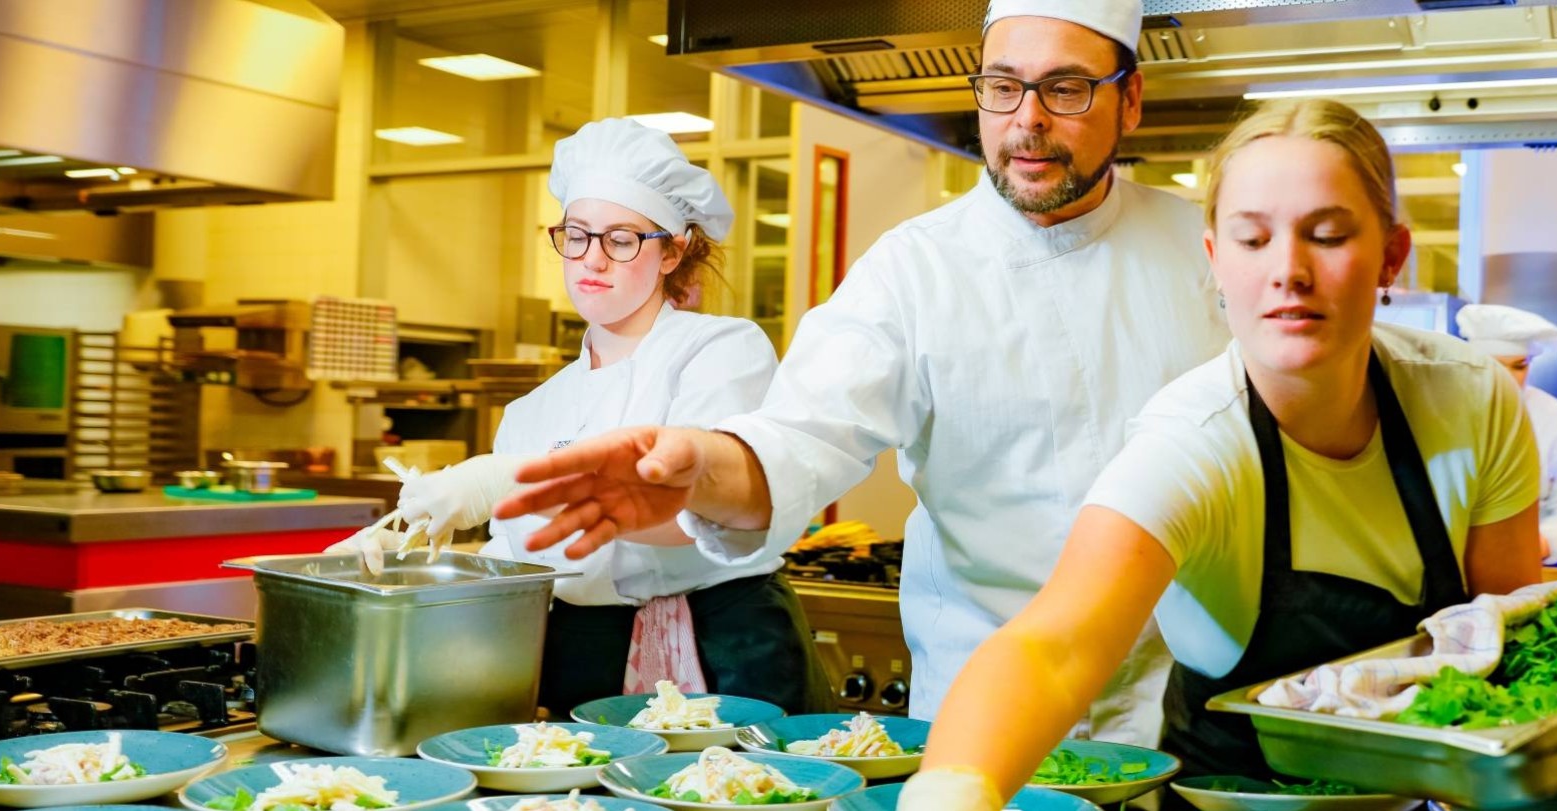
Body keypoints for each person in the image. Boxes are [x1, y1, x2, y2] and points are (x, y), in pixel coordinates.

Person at [492, 0, 1230, 748]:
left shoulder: (1213, 254)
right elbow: (802, 434)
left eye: (1065, 88)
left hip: (1182, 708)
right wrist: (704, 468)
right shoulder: (915, 268)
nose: (1026, 118)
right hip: (986, 719)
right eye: (1002, 86)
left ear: (1130, 99)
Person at [894, 99, 1544, 811]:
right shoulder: (1196, 440)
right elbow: (1054, 646)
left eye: (1326, 235)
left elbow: (1510, 637)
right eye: (1252, 239)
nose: (1288, 270)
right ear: (1214, 260)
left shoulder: (1471, 397)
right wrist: (953, 789)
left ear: (1392, 254)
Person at [334, 118, 831, 718]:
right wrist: (412, 553)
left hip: (723, 644)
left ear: (671, 250)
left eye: (622, 239)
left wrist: (506, 481)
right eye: (577, 235)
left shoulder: (720, 349)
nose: (593, 259)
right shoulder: (530, 410)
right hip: (579, 651)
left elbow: (696, 512)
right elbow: (522, 559)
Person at [1456, 303, 1557, 565]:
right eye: (1493, 366)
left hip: (1519, 566)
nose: (1507, 378)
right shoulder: (1438, 407)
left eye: (1518, 366)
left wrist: (1540, 543)